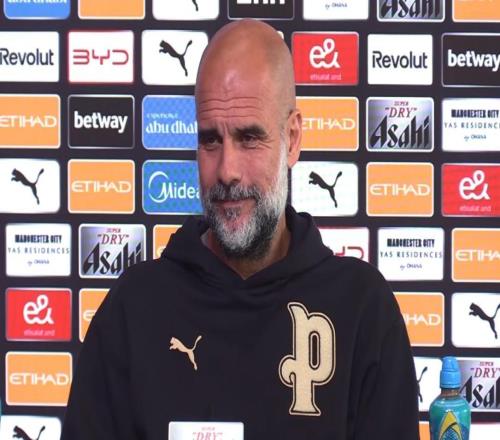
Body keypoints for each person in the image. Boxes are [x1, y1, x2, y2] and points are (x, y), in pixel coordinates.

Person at [62, 19, 419, 439]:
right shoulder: (133, 309)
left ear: (292, 138)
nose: (227, 170)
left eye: (249, 138)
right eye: (211, 140)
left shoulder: (362, 308)